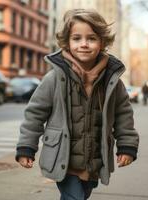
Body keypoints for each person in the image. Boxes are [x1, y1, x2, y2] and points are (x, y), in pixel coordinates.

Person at [15, 9, 139, 200]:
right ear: (67, 42)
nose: (84, 44)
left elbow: (124, 115)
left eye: (91, 38)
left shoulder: (112, 80)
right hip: (63, 158)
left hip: (94, 160)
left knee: (83, 194)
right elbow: (35, 114)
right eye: (76, 38)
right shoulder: (55, 78)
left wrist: (127, 146)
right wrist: (26, 147)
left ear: (102, 42)